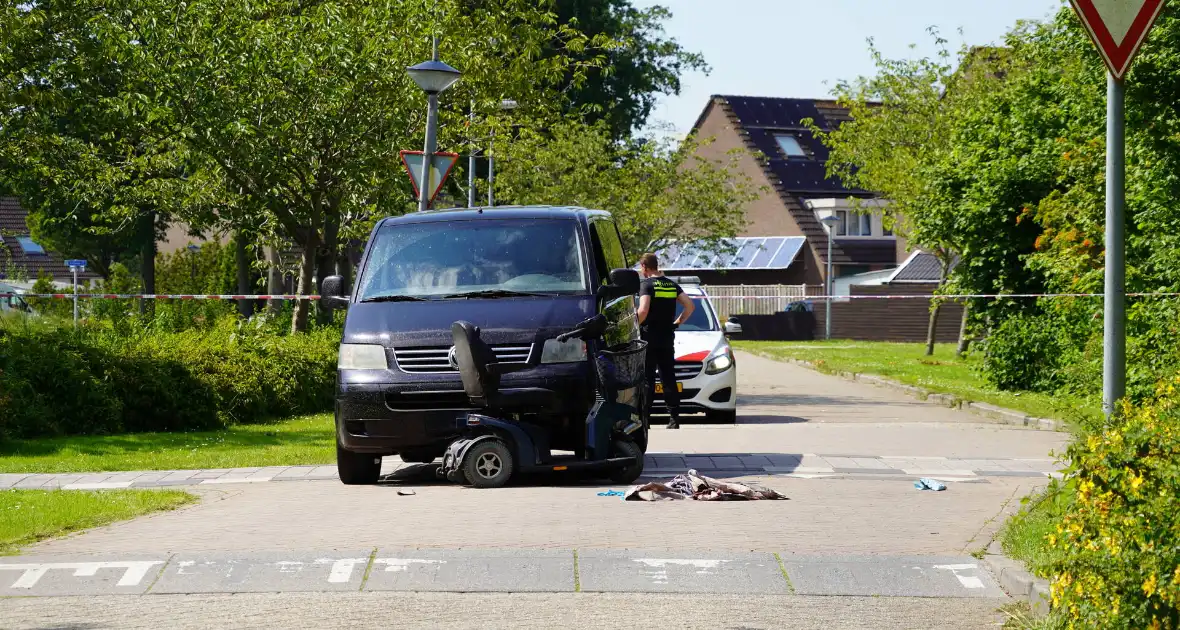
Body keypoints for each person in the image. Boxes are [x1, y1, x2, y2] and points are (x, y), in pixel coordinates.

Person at [636, 253, 694, 429]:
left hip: (649, 338)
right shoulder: (671, 285)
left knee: (648, 379)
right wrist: (676, 323)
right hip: (667, 338)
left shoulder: (646, 285)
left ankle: (645, 419)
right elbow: (690, 306)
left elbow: (643, 310)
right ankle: (674, 418)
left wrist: (634, 326)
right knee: (668, 377)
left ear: (645, 266)